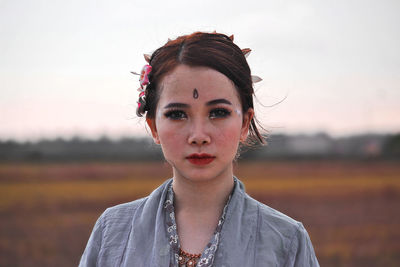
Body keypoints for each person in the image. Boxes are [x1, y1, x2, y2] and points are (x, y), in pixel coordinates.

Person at [79, 32, 319, 267]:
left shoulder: (286, 241)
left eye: (218, 113)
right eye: (177, 115)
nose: (199, 136)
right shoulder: (112, 233)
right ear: (153, 127)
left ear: (245, 123)